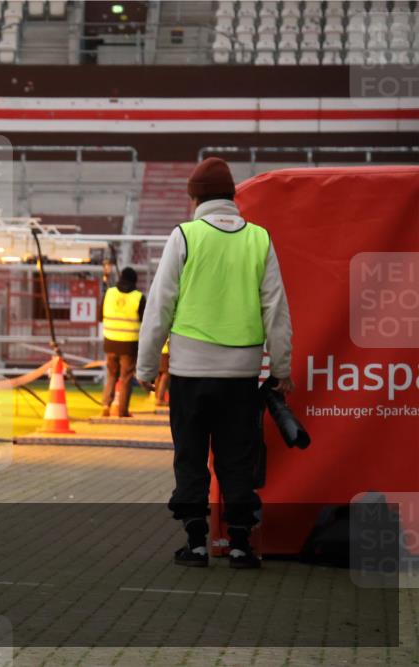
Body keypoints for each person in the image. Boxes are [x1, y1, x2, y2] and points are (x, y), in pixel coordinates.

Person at [137, 157, 293, 569]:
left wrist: (147, 368)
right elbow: (276, 309)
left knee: (190, 455)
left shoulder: (185, 236)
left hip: (190, 371)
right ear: (232, 196)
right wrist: (281, 368)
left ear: (194, 197)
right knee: (237, 457)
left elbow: (160, 306)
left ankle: (196, 543)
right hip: (241, 374)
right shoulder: (259, 238)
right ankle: (241, 544)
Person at [99, 267, 145, 418]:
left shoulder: (109, 293)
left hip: (110, 342)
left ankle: (105, 405)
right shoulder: (139, 297)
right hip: (129, 345)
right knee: (126, 378)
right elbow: (144, 321)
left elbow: (100, 316)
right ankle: (122, 411)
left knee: (111, 375)